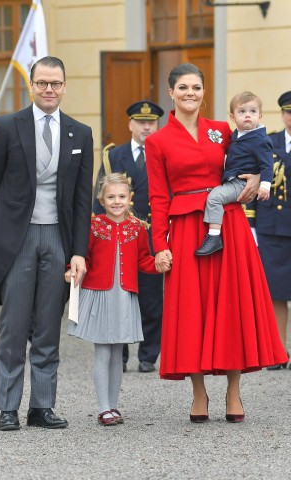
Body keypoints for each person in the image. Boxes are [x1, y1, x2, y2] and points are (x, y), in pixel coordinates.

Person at [145, 62, 288, 423]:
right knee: (193, 309)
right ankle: (198, 394)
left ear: (204, 92)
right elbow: (158, 197)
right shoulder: (157, 140)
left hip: (230, 224)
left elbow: (255, 154)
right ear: (171, 92)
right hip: (186, 229)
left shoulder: (222, 130)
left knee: (232, 306)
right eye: (183, 88)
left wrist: (257, 178)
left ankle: (234, 392)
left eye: (196, 87)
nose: (190, 93)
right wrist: (159, 244)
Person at [0, 56, 94, 431]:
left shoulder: (80, 132)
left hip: (58, 237)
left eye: (55, 83)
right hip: (18, 239)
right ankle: (8, 407)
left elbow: (81, 200)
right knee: (13, 325)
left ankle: (41, 406)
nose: (49, 89)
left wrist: (78, 250)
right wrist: (2, 235)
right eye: (42, 83)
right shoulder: (8, 126)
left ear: (64, 85)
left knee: (48, 325)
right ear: (31, 85)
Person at [67, 173, 169, 425]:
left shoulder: (137, 227)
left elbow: (143, 260)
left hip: (124, 296)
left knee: (117, 353)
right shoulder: (93, 226)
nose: (116, 201)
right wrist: (71, 270)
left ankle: (113, 406)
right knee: (103, 351)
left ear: (130, 199)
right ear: (101, 200)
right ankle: (103, 408)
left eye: (121, 196)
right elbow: (84, 258)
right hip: (99, 295)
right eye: (111, 197)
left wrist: (158, 263)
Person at [93, 100, 164, 373]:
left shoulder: (162, 153)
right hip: (117, 237)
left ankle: (148, 355)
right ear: (130, 125)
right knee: (117, 295)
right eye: (140, 122)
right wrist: (98, 233)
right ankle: (118, 355)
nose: (146, 126)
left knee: (151, 297)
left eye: (151, 122)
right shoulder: (114, 155)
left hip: (148, 234)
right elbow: (100, 198)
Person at [195, 91, 273, 256]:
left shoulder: (261, 140)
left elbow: (267, 164)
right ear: (232, 117)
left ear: (260, 116)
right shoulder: (236, 135)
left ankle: (214, 237)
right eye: (242, 111)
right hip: (231, 180)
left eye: (252, 111)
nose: (247, 115)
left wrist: (265, 185)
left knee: (214, 198)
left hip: (242, 183)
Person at [245, 90, 291, 370]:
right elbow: (251, 184)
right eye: (288, 112)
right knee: (275, 293)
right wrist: (251, 226)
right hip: (272, 229)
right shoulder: (268, 142)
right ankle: (279, 352)